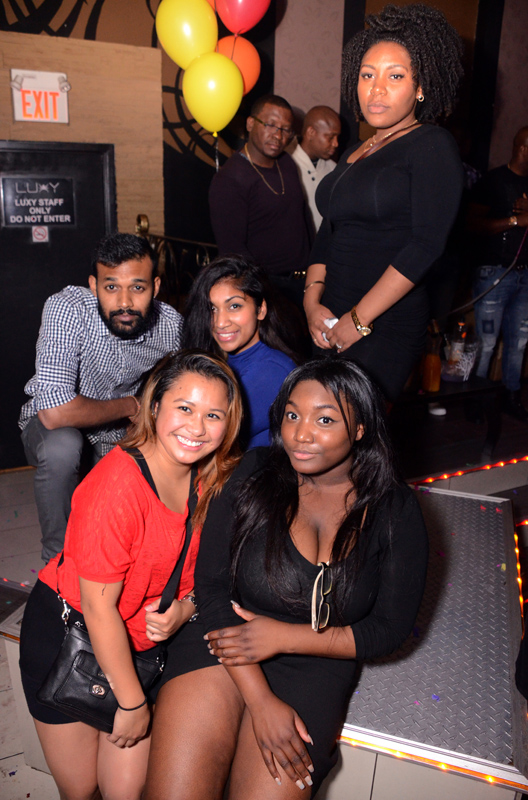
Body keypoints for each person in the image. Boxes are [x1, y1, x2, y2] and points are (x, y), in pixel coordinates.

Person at [143, 358, 429, 800]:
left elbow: (388, 629)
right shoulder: (254, 472)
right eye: (293, 415)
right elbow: (212, 587)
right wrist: (260, 701)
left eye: (325, 419)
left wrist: (283, 637)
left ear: (360, 429)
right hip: (223, 639)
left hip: (316, 662)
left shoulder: (394, 508)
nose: (301, 434)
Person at [19, 351, 242, 800]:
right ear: (154, 407)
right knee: (81, 789)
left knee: (125, 789)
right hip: (69, 636)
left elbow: (209, 571)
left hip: (139, 648)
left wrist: (186, 608)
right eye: (184, 408)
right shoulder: (117, 484)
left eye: (213, 415)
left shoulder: (210, 478)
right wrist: (133, 703)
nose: (197, 428)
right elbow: (99, 609)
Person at [303, 4, 464, 402]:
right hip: (331, 314)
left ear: (420, 86)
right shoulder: (355, 151)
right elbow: (329, 230)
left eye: (395, 76)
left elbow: (426, 245)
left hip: (384, 323)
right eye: (367, 75)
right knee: (316, 424)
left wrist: (359, 320)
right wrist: (311, 301)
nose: (376, 89)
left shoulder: (432, 145)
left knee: (348, 427)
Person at [18, 233, 183, 562]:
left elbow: (179, 388)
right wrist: (131, 405)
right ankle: (56, 563)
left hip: (118, 436)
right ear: (94, 286)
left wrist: (151, 414)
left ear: (155, 287)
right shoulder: (68, 309)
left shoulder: (170, 326)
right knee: (62, 446)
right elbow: (53, 412)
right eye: (111, 287)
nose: (125, 302)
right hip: (53, 429)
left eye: (137, 288)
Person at [209, 94, 312, 310]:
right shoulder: (230, 178)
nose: (278, 135)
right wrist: (260, 293)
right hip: (268, 288)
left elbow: (303, 218)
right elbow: (233, 250)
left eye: (285, 129)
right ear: (250, 124)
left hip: (303, 282)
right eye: (270, 125)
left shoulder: (286, 163)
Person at [182, 255, 297, 449]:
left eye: (234, 306)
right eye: (212, 308)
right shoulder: (227, 360)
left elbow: (207, 437)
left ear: (260, 310)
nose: (220, 322)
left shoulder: (271, 371)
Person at [468, 126, 528, 420]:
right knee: (487, 342)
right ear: (523, 148)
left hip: (526, 275)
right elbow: (473, 225)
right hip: (494, 272)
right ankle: (475, 401)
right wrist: (516, 221)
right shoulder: (493, 181)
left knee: (519, 341)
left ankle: (511, 397)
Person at [291, 106, 341, 235]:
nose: (336, 143)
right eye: (330, 137)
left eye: (337, 137)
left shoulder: (334, 169)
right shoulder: (287, 165)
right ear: (311, 133)